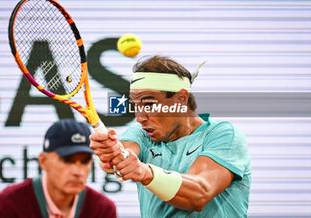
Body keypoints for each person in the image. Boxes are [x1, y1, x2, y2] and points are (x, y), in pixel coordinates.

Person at [90, 56, 251, 217]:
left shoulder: (224, 135)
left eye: (149, 104)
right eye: (135, 105)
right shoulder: (142, 134)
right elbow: (120, 154)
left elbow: (199, 194)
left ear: (181, 99)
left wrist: (145, 172)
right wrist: (109, 153)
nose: (140, 117)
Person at [0, 119, 117, 218]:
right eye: (67, 160)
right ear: (43, 161)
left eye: (85, 161)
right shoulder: (9, 204)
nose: (78, 172)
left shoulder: (103, 209)